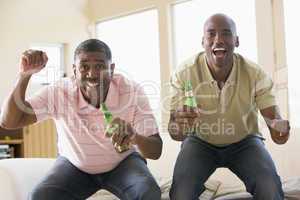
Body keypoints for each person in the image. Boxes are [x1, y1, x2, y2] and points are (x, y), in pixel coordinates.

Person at [0, 39, 162, 200]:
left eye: (99, 66)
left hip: (123, 163)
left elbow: (155, 150)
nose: (92, 74)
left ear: (111, 69)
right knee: (40, 196)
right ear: (74, 70)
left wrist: (135, 137)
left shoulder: (132, 90)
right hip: (74, 165)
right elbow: (9, 122)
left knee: (148, 192)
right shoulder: (59, 92)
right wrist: (24, 76)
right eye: (84, 67)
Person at [168, 13, 290, 200]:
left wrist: (279, 129)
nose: (218, 39)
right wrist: (179, 124)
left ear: (236, 41)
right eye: (211, 34)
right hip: (199, 141)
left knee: (269, 186)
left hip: (245, 142)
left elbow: (276, 127)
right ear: (203, 42)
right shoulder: (184, 73)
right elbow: (175, 133)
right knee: (181, 191)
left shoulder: (255, 73)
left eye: (226, 33)